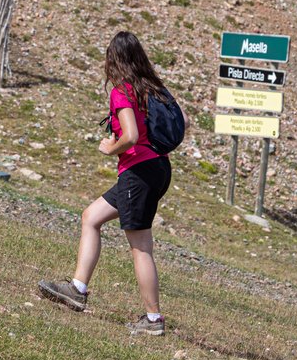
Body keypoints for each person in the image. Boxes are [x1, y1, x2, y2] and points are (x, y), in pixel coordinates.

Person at [39, 31, 188, 336]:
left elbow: (131, 136)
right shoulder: (155, 90)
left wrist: (111, 147)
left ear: (114, 60)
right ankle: (77, 289)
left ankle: (153, 319)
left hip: (139, 172)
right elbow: (182, 122)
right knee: (91, 217)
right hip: (158, 168)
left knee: (141, 247)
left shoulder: (123, 91)